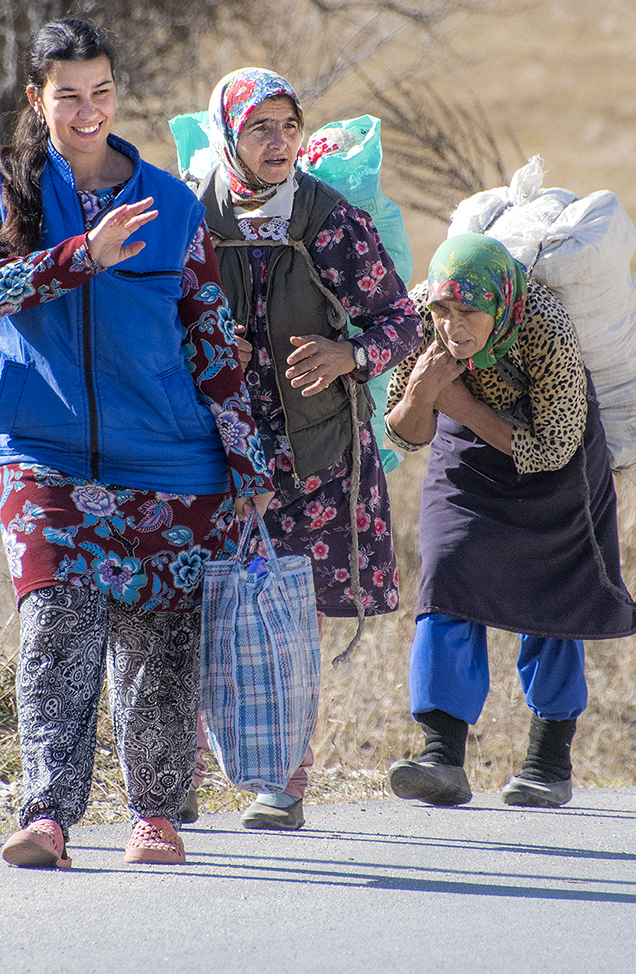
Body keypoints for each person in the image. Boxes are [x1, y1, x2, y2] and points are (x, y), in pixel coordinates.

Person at [0, 19, 273, 869]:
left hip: (173, 461)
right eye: (69, 95)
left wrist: (248, 460)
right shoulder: (1, 191)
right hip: (44, 453)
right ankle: (47, 817)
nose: (88, 110)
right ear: (37, 99)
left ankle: (154, 817)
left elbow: (209, 337)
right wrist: (78, 258)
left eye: (101, 91)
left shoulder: (171, 205)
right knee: (55, 628)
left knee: (159, 649)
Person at [186, 67, 423, 829]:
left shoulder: (329, 220)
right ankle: (180, 772)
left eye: (289, 126)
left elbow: (403, 322)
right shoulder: (190, 217)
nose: (278, 141)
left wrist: (346, 354)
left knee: (289, 622)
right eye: (260, 127)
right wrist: (209, 349)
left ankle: (285, 780)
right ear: (229, 135)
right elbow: (149, 319)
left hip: (312, 457)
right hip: (209, 450)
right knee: (194, 610)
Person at [384, 234, 636, 808]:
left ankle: (548, 764)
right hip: (467, 457)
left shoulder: (544, 327)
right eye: (443, 310)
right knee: (447, 573)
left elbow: (551, 449)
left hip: (555, 463)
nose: (452, 326)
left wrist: (458, 404)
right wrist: (423, 392)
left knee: (553, 597)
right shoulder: (421, 318)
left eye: (468, 312)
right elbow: (404, 434)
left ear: (500, 304)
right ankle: (440, 757)